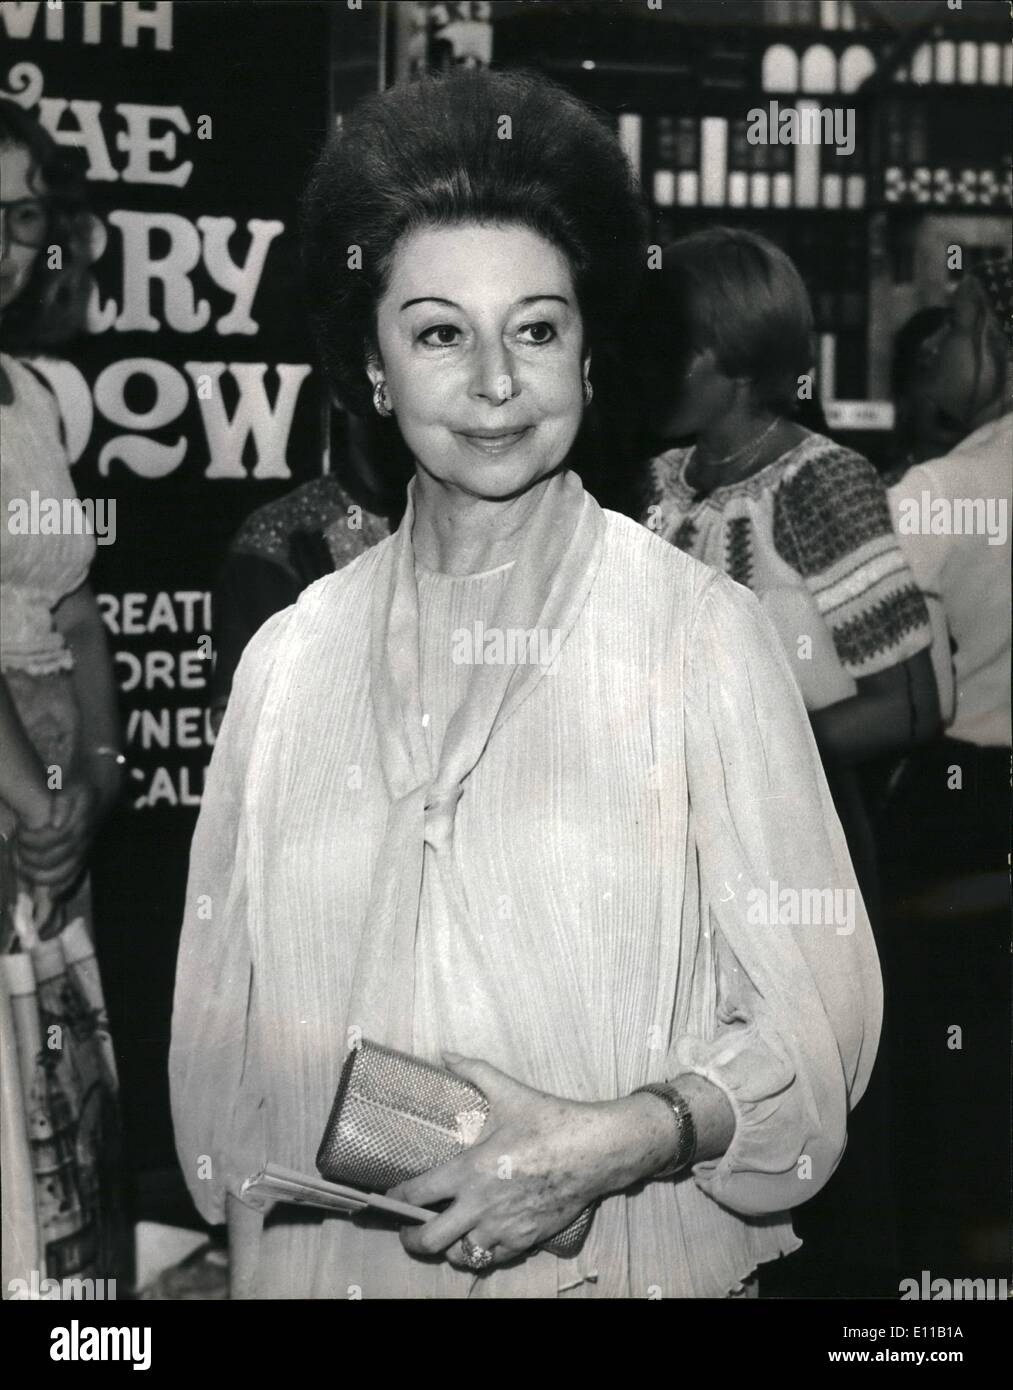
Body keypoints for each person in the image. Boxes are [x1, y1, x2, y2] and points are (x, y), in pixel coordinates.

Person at [170, 70, 881, 1300]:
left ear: (589, 355)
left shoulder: (696, 638)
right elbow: (227, 1080)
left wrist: (613, 1139)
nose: (496, 381)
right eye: (440, 331)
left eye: (537, 327)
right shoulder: (290, 661)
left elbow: (812, 1035)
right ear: (373, 370)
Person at [636, 227, 940, 1296]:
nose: (645, 365)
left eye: (669, 346)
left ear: (734, 358)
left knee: (818, 1115)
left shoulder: (821, 482)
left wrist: (745, 754)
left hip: (805, 840)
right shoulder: (656, 484)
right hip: (670, 853)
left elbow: (910, 700)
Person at [0, 98, 125, 1289]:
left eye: (20, 212)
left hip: (46, 822)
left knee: (57, 1138)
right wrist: (40, 799)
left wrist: (91, 776)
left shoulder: (29, 396)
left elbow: (77, 611)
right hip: (12, 810)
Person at [883, 255, 1011, 1276]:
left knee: (953, 1091)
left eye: (963, 327)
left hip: (966, 815)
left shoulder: (938, 491)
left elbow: (908, 700)